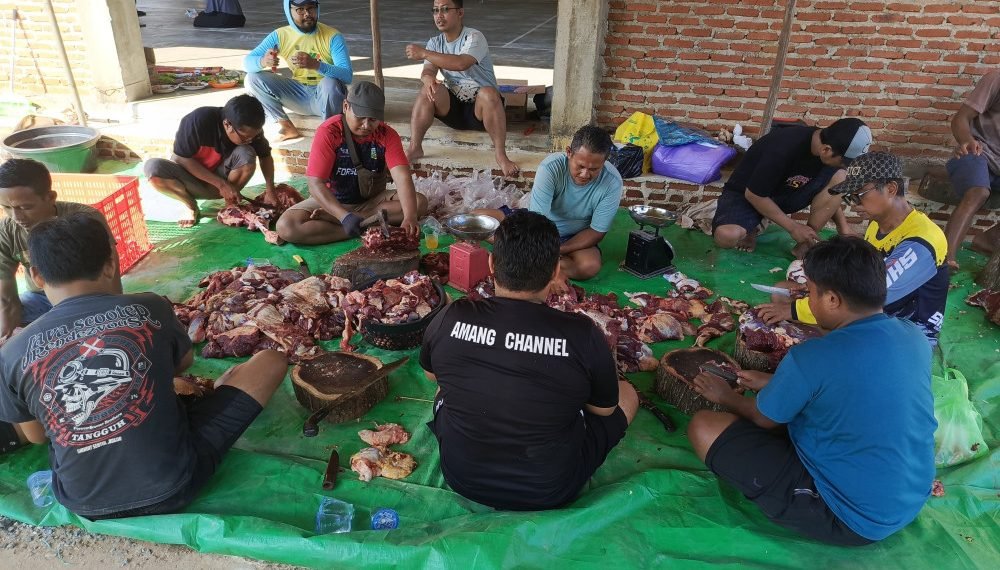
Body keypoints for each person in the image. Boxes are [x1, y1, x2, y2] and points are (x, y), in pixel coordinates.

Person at [0, 213, 288, 519]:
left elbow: (37, 437)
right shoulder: (147, 305)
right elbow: (184, 363)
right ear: (111, 263)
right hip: (174, 487)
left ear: (37, 276)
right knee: (271, 360)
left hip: (83, 502)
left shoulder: (12, 351)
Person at [688, 235, 936, 546]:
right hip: (910, 494)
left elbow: (764, 418)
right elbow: (856, 387)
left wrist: (725, 396)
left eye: (811, 294)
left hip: (851, 517)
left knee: (704, 426)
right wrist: (772, 383)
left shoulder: (812, 357)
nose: (808, 302)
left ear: (833, 300)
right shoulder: (913, 335)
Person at [420, 210, 639, 511]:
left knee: (448, 383)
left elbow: (432, 376)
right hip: (549, 488)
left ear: (491, 264)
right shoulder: (582, 333)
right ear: (555, 272)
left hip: (462, 477)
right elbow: (602, 409)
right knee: (627, 394)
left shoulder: (452, 315)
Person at [758, 152, 949, 345]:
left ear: (891, 189)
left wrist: (794, 310)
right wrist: (818, 288)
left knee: (798, 322)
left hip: (903, 330)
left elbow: (871, 299)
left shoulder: (922, 240)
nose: (856, 205)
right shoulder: (877, 224)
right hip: (872, 310)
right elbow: (862, 275)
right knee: (781, 290)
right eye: (851, 198)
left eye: (860, 195)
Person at [276, 81, 427, 245]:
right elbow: (315, 184)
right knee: (286, 227)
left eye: (373, 119)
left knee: (419, 203)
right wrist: (343, 216)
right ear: (346, 106)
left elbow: (402, 177)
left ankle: (357, 223)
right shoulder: (329, 131)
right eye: (360, 118)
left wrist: (410, 217)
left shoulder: (387, 134)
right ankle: (362, 226)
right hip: (334, 201)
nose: (366, 125)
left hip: (373, 202)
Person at [477, 125, 622, 281]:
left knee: (589, 266)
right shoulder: (551, 168)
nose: (585, 174)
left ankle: (526, 257)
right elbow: (537, 221)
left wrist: (557, 250)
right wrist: (543, 249)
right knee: (477, 219)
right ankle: (548, 265)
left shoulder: (612, 182)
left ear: (604, 162)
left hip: (574, 237)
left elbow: (596, 232)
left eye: (594, 169)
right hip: (536, 226)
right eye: (580, 166)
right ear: (568, 153)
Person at [712, 117, 872, 256]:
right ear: (826, 150)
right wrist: (793, 228)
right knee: (727, 236)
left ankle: (805, 244)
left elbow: (831, 194)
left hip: (786, 194)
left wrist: (843, 227)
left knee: (840, 176)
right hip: (747, 194)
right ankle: (752, 226)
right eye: (844, 161)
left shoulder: (829, 149)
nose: (845, 165)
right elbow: (754, 194)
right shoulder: (783, 147)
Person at [0, 158, 117, 341]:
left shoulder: (85, 221)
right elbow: (6, 299)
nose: (16, 216)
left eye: (25, 207)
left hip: (84, 297)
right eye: (7, 207)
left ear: (50, 197)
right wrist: (7, 338)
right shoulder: (7, 231)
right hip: (39, 299)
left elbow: (111, 278)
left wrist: (113, 316)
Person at [404, 0, 519, 178]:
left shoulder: (474, 37)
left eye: (445, 10)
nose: (439, 15)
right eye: (435, 11)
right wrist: (428, 80)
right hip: (454, 109)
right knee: (429, 90)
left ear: (460, 13)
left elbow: (461, 63)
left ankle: (501, 155)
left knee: (488, 93)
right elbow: (428, 71)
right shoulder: (435, 42)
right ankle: (415, 148)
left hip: (482, 111)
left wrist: (424, 53)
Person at [144, 94, 277, 228]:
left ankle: (230, 206)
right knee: (153, 168)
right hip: (191, 181)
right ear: (227, 124)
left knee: (246, 153)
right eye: (246, 138)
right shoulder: (198, 121)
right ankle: (190, 206)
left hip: (223, 183)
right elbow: (181, 158)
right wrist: (221, 184)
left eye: (254, 136)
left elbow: (265, 156)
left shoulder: (252, 133)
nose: (250, 140)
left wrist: (270, 191)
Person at [243, 0, 353, 144]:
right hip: (298, 94)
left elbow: (347, 76)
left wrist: (317, 65)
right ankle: (285, 126)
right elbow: (246, 63)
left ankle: (331, 132)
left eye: (311, 8)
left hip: (327, 97)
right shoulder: (280, 35)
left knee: (330, 83)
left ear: (317, 8)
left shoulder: (333, 37)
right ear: (289, 11)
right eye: (300, 9)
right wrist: (263, 61)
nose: (307, 14)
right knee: (252, 78)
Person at [944, 68, 1000, 272]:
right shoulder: (995, 79)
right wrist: (967, 140)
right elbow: (960, 118)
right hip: (977, 153)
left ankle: (988, 240)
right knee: (978, 192)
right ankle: (946, 259)